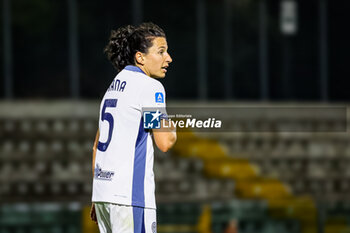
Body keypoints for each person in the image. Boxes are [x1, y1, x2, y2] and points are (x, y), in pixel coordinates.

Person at [90, 22, 177, 233]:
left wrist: (98, 196)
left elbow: (96, 146)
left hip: (103, 196)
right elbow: (164, 142)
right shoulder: (150, 87)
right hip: (130, 197)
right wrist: (172, 128)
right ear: (140, 57)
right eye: (161, 51)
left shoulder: (113, 87)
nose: (169, 58)